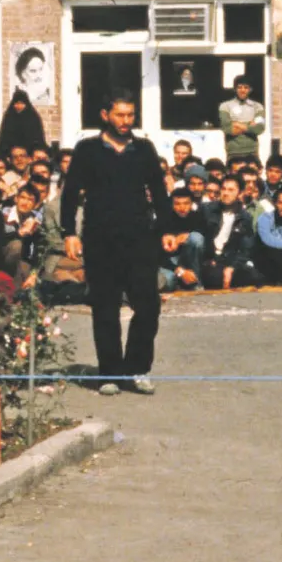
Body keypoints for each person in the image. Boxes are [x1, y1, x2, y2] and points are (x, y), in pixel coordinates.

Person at [60, 92, 170, 396]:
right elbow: (70, 194)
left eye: (130, 115)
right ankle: (109, 373)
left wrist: (167, 229)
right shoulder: (88, 149)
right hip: (100, 239)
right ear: (105, 115)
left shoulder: (143, 149)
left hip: (139, 239)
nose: (126, 121)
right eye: (120, 115)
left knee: (148, 305)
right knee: (105, 307)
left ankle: (136, 369)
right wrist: (69, 232)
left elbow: (159, 192)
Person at [202, 172, 259, 290]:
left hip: (229, 259)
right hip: (210, 260)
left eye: (231, 190)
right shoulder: (207, 210)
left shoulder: (245, 217)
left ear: (240, 193)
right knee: (213, 278)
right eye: (223, 189)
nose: (226, 193)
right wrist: (209, 259)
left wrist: (232, 267)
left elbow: (246, 248)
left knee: (255, 276)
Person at [158, 187, 206, 291]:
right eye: (177, 204)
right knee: (168, 280)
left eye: (186, 203)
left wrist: (187, 236)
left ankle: (195, 283)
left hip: (190, 261)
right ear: (171, 205)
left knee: (196, 238)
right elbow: (157, 255)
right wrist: (179, 271)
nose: (182, 207)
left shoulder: (198, 218)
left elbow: (206, 245)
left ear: (191, 204)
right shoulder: (163, 221)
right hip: (168, 263)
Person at [1, 182, 45, 288]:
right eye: (22, 198)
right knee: (16, 245)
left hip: (22, 262)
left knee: (25, 267)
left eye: (30, 200)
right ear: (16, 199)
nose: (25, 202)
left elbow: (38, 251)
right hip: (0, 260)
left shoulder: (36, 221)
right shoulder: (2, 215)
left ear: (36, 205)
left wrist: (33, 274)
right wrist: (19, 233)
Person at [219, 76, 266, 162]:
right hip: (233, 152)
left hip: (252, 152)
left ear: (250, 89)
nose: (242, 90)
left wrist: (237, 124)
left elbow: (259, 128)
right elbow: (227, 128)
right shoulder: (225, 106)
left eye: (246, 87)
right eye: (239, 87)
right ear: (235, 89)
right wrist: (249, 125)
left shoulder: (258, 107)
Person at [0, 90, 47, 160]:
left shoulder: (33, 117)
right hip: (11, 156)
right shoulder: (9, 117)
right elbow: (3, 139)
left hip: (29, 156)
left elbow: (38, 138)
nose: (19, 106)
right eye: (16, 103)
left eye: (22, 103)